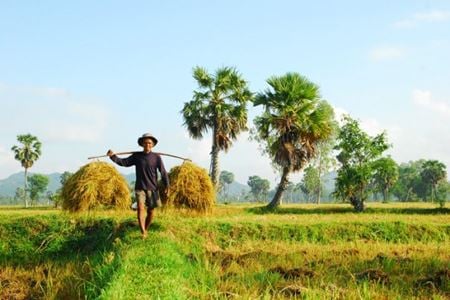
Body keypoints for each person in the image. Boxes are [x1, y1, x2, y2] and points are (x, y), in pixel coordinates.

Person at [107, 133, 169, 238]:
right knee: (140, 208)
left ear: (152, 144)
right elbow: (124, 162)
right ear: (142, 144)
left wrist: (167, 184)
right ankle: (143, 233)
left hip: (153, 188)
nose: (147, 145)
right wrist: (113, 157)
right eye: (145, 143)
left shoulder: (156, 157)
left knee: (151, 211)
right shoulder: (137, 156)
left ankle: (145, 228)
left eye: (149, 143)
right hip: (140, 188)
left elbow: (163, 171)